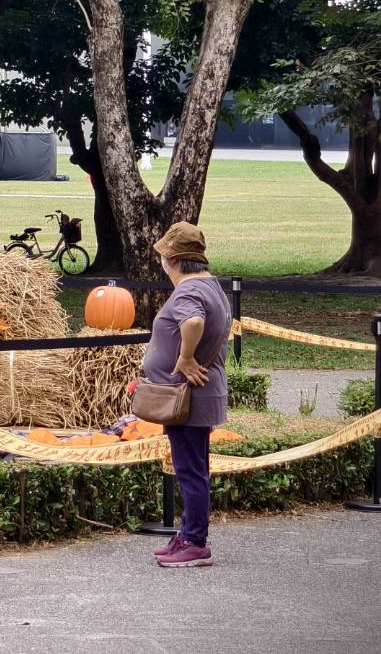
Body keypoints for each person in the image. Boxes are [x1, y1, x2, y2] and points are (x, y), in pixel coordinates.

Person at [142, 222, 232, 569]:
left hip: (188, 397)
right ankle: (188, 533)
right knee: (194, 469)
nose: (161, 261)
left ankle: (194, 542)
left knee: (190, 471)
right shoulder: (212, 286)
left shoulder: (188, 291)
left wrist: (185, 357)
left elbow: (192, 323)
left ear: (174, 259)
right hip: (200, 395)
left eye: (163, 255)